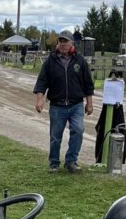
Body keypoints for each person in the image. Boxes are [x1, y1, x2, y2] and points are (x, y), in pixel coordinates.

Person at [33, 29, 94, 172]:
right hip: (57, 105)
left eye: (65, 41)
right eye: (60, 41)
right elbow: (42, 82)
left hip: (76, 105)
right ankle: (54, 163)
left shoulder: (80, 61)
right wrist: (39, 100)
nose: (62, 44)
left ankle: (71, 161)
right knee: (55, 136)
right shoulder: (50, 62)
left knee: (78, 130)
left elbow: (88, 84)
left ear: (72, 42)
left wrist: (89, 103)